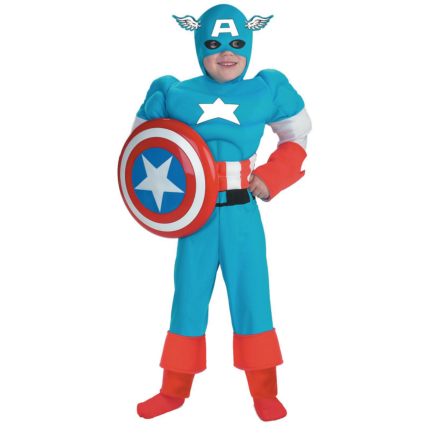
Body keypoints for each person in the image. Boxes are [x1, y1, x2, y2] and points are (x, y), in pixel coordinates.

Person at [132, 4, 312, 421]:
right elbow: (143, 146)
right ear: (199, 45)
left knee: (252, 297)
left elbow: (297, 136)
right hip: (192, 216)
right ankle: (173, 390)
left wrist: (272, 176)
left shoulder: (265, 90)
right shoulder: (175, 93)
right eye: (213, 43)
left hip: (241, 213)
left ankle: (264, 392)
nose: (227, 52)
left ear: (249, 44)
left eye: (237, 43)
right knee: (187, 298)